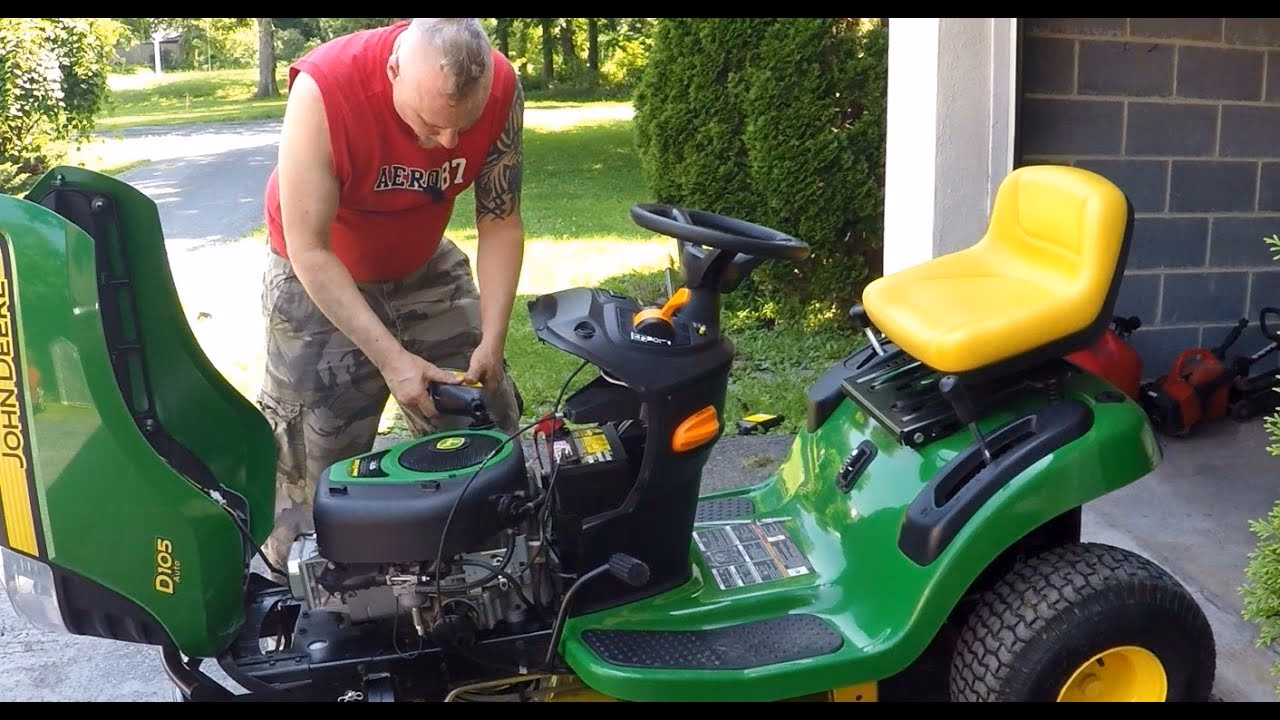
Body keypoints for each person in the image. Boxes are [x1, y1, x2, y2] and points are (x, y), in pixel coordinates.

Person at [257, 18, 525, 577]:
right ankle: (299, 593)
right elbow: (310, 251)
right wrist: (393, 360)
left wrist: (493, 340)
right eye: (430, 123)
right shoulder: (325, 92)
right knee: (314, 464)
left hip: (424, 264)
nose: (448, 145)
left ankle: (485, 580)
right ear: (394, 70)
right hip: (320, 279)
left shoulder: (499, 85)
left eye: (463, 127)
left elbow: (499, 220)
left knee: (485, 427)